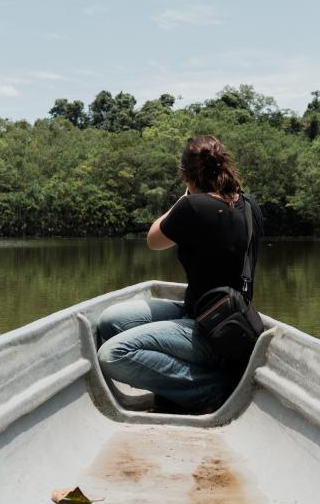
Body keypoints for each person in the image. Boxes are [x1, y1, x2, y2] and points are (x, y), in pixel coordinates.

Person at [96, 134, 264, 413]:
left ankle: (211, 390)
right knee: (111, 322)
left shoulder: (191, 207)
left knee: (113, 354)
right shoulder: (251, 207)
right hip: (230, 323)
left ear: (186, 175)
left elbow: (153, 239)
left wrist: (183, 198)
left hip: (211, 333)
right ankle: (180, 385)